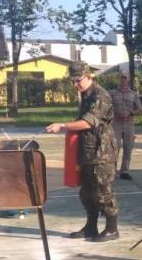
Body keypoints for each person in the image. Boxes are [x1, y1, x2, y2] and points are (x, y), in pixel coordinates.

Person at [45, 61, 120, 242]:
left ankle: (112, 229)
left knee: (103, 191)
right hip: (88, 151)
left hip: (101, 153)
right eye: (72, 81)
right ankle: (91, 227)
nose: (75, 85)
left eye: (78, 80)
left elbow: (88, 122)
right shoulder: (86, 95)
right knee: (86, 193)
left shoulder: (100, 95)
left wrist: (62, 126)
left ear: (89, 76)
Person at [110, 74, 142, 180]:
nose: (123, 81)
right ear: (118, 80)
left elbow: (139, 109)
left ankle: (125, 171)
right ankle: (112, 171)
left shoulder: (133, 94)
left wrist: (131, 113)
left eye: (125, 79)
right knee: (115, 147)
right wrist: (115, 112)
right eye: (121, 79)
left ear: (128, 81)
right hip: (116, 123)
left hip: (129, 124)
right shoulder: (112, 93)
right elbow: (107, 106)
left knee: (128, 147)